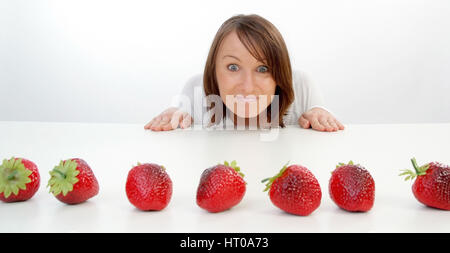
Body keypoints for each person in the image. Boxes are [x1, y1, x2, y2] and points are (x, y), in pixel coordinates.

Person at [144, 14, 344, 132]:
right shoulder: (196, 90)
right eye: (233, 67)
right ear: (213, 70)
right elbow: (177, 126)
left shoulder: (300, 86)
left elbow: (325, 130)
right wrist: (173, 118)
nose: (247, 87)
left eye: (263, 69)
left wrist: (320, 115)